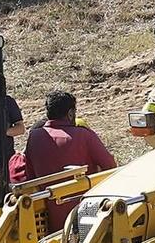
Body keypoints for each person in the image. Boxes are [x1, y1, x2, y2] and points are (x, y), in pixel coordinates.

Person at [23, 91, 117, 227]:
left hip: (49, 218)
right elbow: (109, 166)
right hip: (86, 216)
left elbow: (30, 176)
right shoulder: (84, 136)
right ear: (71, 113)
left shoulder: (34, 137)